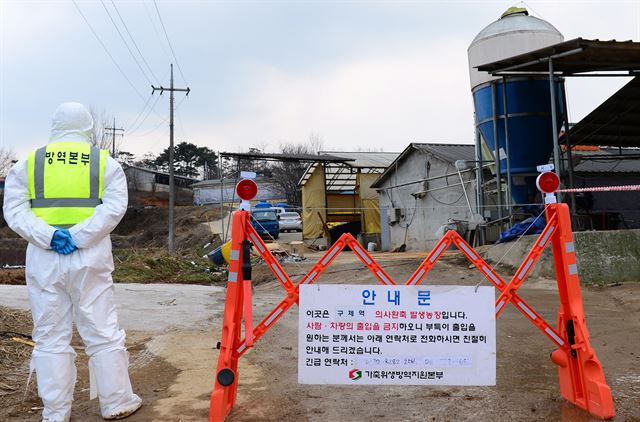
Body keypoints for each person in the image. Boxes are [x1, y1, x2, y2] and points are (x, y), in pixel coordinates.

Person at [2, 102, 142, 422]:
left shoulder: (30, 163)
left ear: (54, 125)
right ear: (88, 126)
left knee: (50, 335)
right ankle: (116, 401)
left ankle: (55, 412)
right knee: (101, 329)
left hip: (44, 255)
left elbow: (15, 211)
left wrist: (50, 236)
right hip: (90, 253)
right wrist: (79, 236)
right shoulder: (103, 162)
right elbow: (114, 207)